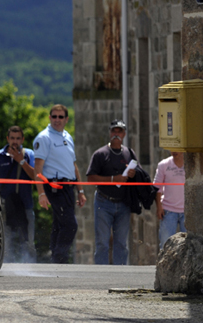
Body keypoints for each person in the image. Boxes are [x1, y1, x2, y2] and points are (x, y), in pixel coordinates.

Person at [33, 104, 87, 264]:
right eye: (54, 116)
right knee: (70, 225)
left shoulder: (68, 137)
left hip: (68, 188)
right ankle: (59, 258)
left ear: (66, 119)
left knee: (59, 225)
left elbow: (73, 165)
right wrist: (41, 194)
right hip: (54, 187)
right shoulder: (44, 138)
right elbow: (38, 169)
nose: (57, 120)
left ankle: (55, 259)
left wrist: (80, 190)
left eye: (60, 117)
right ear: (50, 118)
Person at [86, 119, 136, 265]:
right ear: (109, 133)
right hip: (103, 202)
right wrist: (114, 179)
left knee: (121, 244)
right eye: (114, 131)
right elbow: (90, 178)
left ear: (124, 134)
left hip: (123, 204)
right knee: (102, 243)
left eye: (119, 131)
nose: (116, 134)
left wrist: (133, 174)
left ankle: (120, 274)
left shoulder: (129, 153)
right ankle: (101, 274)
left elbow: (138, 174)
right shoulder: (100, 154)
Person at [0, 125, 36, 262]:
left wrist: (21, 161)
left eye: (17, 138)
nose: (15, 142)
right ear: (7, 139)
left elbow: (36, 176)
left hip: (25, 205)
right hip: (5, 206)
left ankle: (30, 267)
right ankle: (5, 268)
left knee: (28, 241)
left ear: (22, 140)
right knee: (5, 242)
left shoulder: (29, 155)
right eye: (12, 138)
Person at [154, 151, 185, 251]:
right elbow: (157, 188)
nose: (174, 151)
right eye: (171, 148)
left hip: (187, 212)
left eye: (177, 148)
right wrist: (159, 207)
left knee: (190, 246)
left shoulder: (191, 166)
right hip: (168, 211)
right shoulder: (163, 165)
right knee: (165, 245)